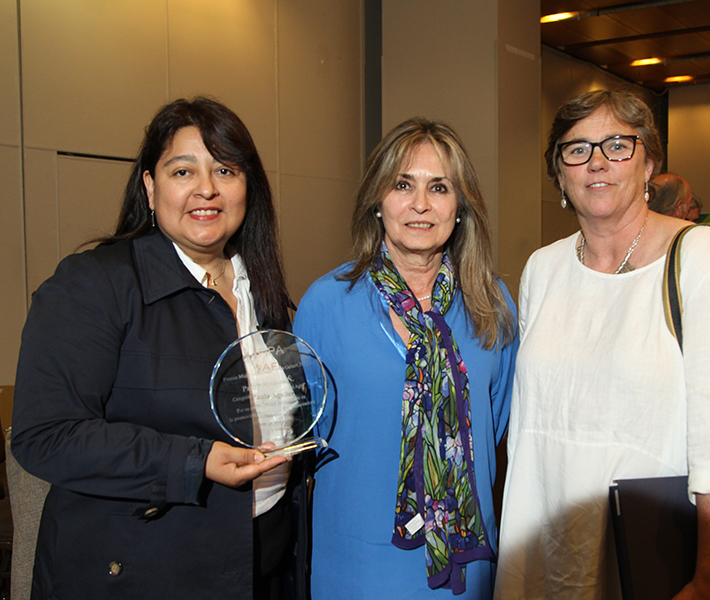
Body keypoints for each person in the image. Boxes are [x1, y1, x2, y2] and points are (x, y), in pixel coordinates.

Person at [11, 97, 309, 600]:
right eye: (182, 171)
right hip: (147, 570)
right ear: (150, 187)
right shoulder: (96, 284)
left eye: (226, 170)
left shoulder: (261, 292)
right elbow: (46, 435)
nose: (207, 188)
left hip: (264, 560)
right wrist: (194, 461)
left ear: (247, 187)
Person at [494, 90, 710, 600]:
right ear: (559, 175)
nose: (597, 161)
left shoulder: (700, 258)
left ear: (649, 161)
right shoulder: (544, 268)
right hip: (543, 551)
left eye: (617, 145)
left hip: (653, 554)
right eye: (577, 149)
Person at [293, 117, 518, 599]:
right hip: (354, 562)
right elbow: (303, 438)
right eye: (402, 185)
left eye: (438, 187)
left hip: (466, 565)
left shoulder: (492, 305)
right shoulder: (326, 303)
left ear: (460, 207)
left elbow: (495, 424)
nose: (420, 204)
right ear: (378, 201)